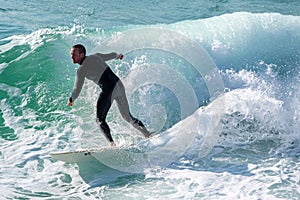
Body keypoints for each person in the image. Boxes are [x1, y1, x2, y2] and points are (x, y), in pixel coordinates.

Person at [68, 44, 151, 146]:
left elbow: (78, 88)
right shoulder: (96, 56)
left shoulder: (82, 69)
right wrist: (118, 55)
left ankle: (112, 144)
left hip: (109, 90)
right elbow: (110, 55)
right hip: (119, 86)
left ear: (82, 54)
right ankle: (148, 135)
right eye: (71, 54)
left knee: (100, 119)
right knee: (128, 117)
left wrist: (72, 98)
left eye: (74, 54)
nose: (72, 56)